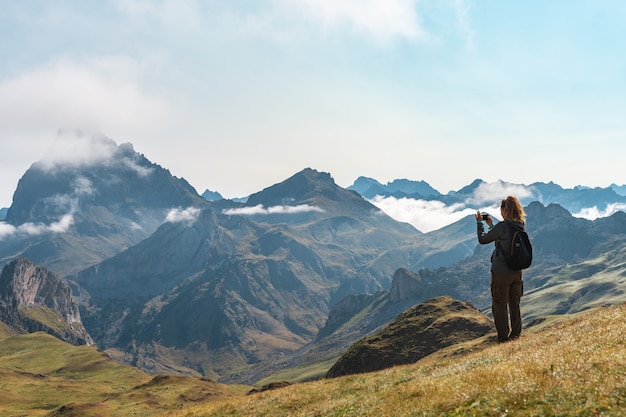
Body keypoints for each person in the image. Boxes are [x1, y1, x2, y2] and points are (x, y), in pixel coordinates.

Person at [475, 196, 526, 343]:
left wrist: (480, 223)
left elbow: (483, 239)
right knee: (514, 303)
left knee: (500, 305)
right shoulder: (520, 225)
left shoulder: (503, 227)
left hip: (501, 273)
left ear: (505, 210)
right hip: (516, 272)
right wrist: (492, 226)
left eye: (501, 209)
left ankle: (503, 338)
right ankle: (516, 334)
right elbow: (503, 243)